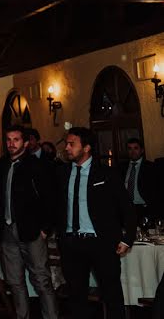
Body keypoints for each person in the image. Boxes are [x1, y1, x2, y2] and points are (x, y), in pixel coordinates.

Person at [57, 127, 135, 319]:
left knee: (111, 295)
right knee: (76, 298)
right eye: (66, 143)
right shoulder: (62, 173)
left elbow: (127, 207)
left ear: (87, 148)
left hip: (101, 243)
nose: (67, 148)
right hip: (72, 243)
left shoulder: (106, 173)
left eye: (71, 144)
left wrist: (127, 239)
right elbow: (55, 205)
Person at [0, 126, 57, 319]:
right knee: (14, 281)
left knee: (41, 279)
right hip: (7, 230)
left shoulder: (37, 165)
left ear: (26, 143)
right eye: (9, 139)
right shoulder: (1, 165)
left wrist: (45, 228)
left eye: (16, 140)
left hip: (31, 230)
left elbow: (50, 198)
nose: (11, 143)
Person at [118, 137, 159, 222]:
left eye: (136, 148)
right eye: (129, 148)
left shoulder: (151, 167)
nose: (132, 151)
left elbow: (157, 190)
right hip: (126, 209)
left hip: (144, 208)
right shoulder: (121, 167)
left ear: (142, 150)